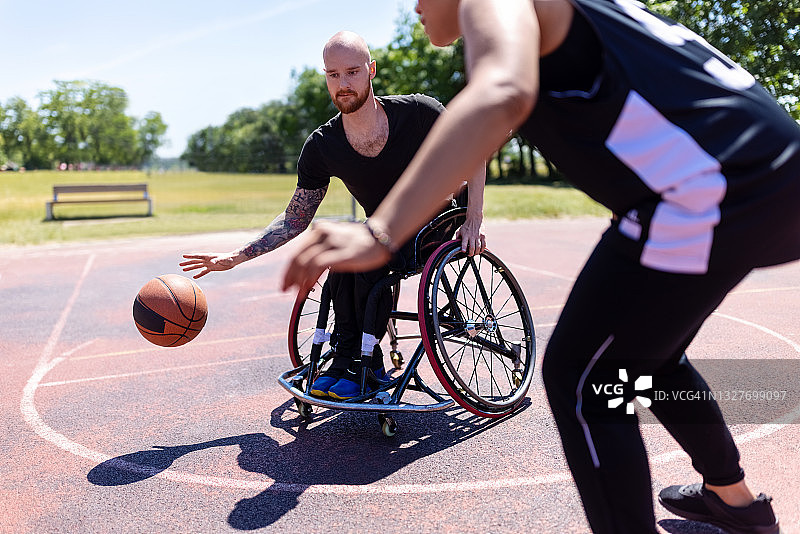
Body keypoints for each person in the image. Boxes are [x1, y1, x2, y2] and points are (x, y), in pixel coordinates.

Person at [282, 1, 800, 533]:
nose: (414, 5)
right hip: (767, 178)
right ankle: (737, 504)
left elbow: (501, 95)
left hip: (710, 191)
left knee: (581, 379)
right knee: (650, 356)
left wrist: (382, 231)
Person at [181, 30, 486, 400]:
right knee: (345, 252)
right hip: (382, 230)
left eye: (352, 72)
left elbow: (475, 144)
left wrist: (473, 218)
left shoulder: (418, 113)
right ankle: (345, 360)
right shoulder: (323, 145)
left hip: (437, 222)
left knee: (367, 252)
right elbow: (296, 218)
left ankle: (366, 363)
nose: (343, 84)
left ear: (371, 70)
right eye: (333, 75)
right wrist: (237, 256)